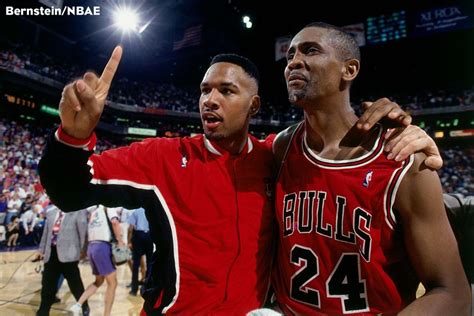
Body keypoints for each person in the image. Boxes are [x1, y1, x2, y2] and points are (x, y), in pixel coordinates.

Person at [38, 46, 442, 314]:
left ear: (254, 105)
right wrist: (72, 138)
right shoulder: (162, 157)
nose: (209, 100)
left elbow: (334, 144)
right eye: (204, 90)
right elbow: (71, 192)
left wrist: (397, 128)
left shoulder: (277, 157)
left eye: (226, 91)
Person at [271, 22, 470, 315]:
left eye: (310, 50)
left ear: (349, 70)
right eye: (289, 56)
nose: (294, 62)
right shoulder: (280, 148)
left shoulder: (404, 159)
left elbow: (453, 293)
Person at [69, 205, 124, 316]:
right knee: (112, 283)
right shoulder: (109, 207)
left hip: (92, 247)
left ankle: (78, 305)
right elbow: (115, 222)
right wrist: (120, 241)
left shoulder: (93, 211)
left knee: (98, 281)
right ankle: (106, 314)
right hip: (102, 246)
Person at [35, 205, 89, 316]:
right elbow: (46, 234)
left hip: (69, 255)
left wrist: (84, 250)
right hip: (51, 254)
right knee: (47, 284)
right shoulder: (51, 212)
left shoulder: (77, 211)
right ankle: (43, 310)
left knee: (75, 284)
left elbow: (83, 233)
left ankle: (84, 306)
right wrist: (41, 250)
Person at [127, 207, 153, 296]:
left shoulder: (136, 211)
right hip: (150, 236)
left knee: (136, 265)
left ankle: (134, 290)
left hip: (138, 236)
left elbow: (130, 228)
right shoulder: (151, 210)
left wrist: (129, 241)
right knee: (150, 263)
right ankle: (148, 288)